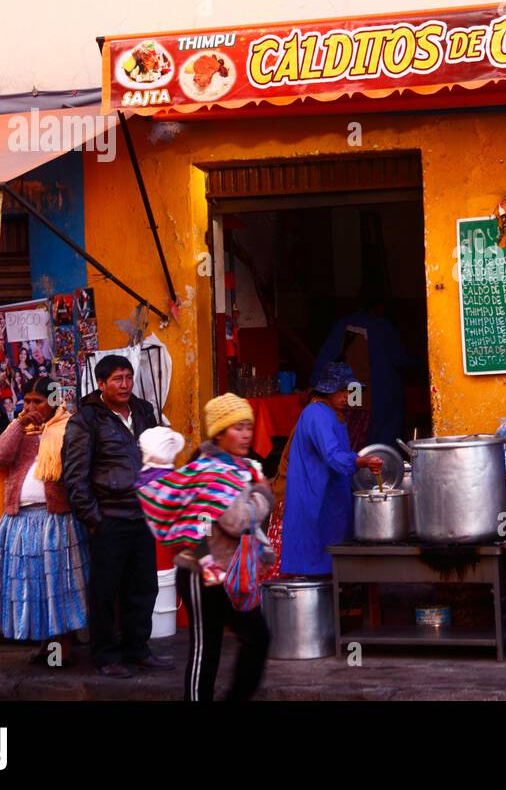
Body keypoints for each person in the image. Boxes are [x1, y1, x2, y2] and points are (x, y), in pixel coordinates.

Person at [139, 394, 273, 701]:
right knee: (206, 649)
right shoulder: (212, 471)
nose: (246, 434)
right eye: (237, 427)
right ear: (219, 432)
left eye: (248, 426)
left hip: (227, 573)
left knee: (257, 637)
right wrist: (263, 495)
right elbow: (236, 521)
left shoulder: (239, 466)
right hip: (203, 571)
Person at [61, 354, 170, 678]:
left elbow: (157, 454)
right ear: (101, 384)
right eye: (117, 379)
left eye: (128, 378)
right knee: (106, 590)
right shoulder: (86, 420)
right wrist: (93, 519)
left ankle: (138, 648)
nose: (124, 385)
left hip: (143, 513)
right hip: (109, 515)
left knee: (144, 586)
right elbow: (75, 475)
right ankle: (106, 655)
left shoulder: (143, 411)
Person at [0, 377, 87, 665]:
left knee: (57, 585)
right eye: (27, 401)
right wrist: (18, 424)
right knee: (35, 586)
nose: (30, 407)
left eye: (37, 401)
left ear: (52, 401)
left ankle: (61, 648)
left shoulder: (69, 429)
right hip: (21, 521)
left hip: (55, 521)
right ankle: (46, 646)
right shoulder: (20, 430)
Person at [280, 363, 384, 576]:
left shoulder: (333, 414)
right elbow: (333, 456)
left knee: (333, 560)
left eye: (350, 391)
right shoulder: (317, 414)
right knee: (315, 561)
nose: (348, 396)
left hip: (330, 497)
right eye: (343, 391)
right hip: (314, 498)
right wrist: (362, 462)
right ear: (328, 390)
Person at [310, 293, 410, 448]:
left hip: (354, 387)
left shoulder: (345, 324)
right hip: (381, 390)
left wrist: (314, 384)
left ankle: (351, 464)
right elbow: (401, 359)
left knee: (352, 428)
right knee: (378, 437)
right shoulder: (382, 326)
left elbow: (326, 356)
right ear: (379, 308)